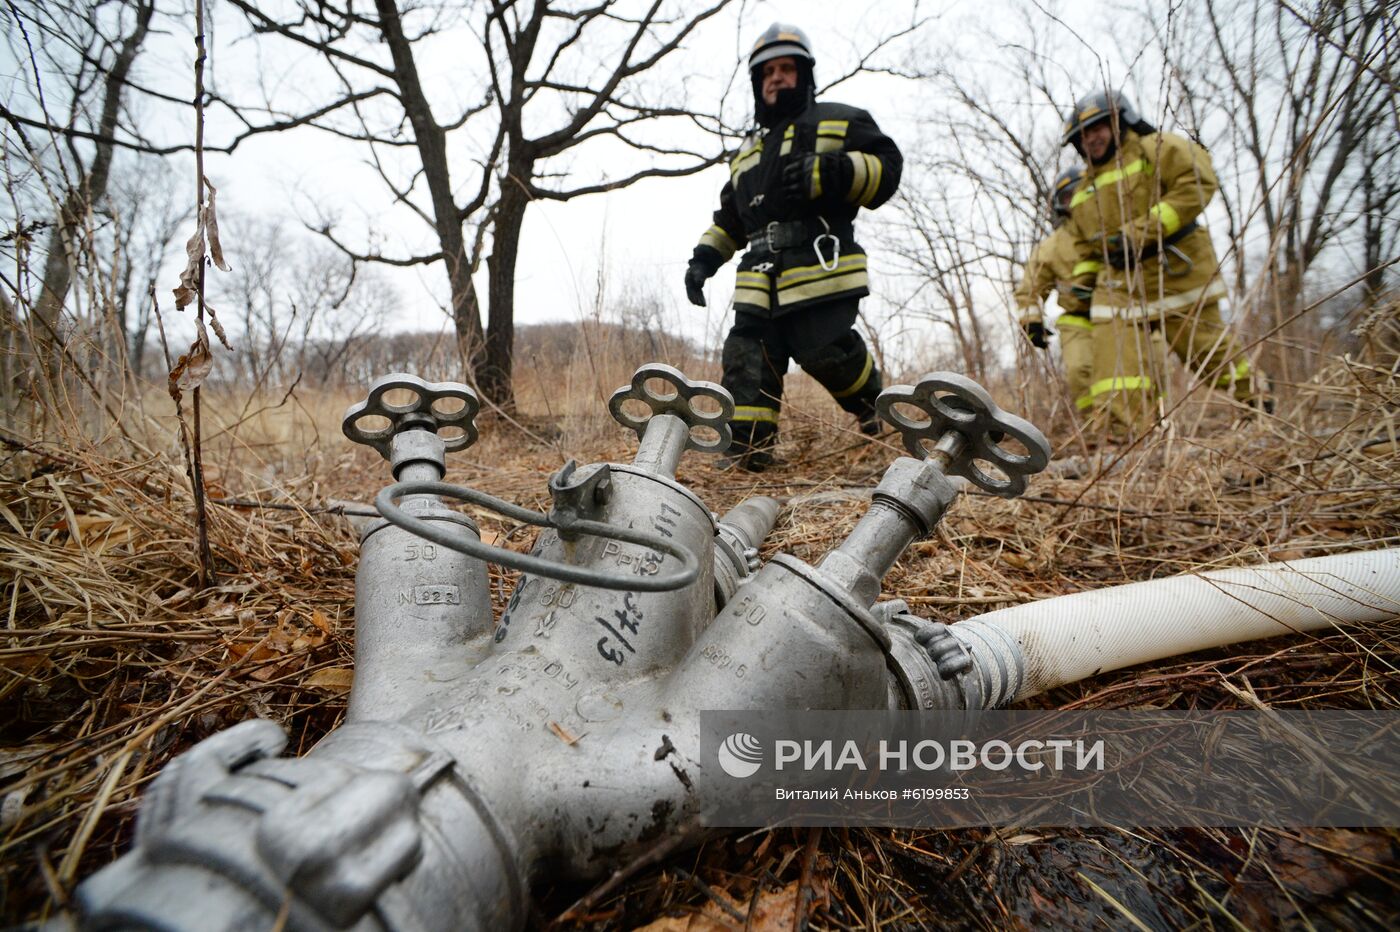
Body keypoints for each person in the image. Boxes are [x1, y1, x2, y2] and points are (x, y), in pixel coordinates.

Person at [684, 23, 902, 471]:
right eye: (766, 73)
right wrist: (704, 259)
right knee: (746, 360)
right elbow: (730, 218)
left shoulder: (840, 119)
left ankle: (875, 410)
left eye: (786, 69)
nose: (776, 78)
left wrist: (832, 172)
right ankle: (747, 454)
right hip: (757, 278)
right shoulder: (746, 153)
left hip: (818, 267)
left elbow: (888, 167)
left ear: (804, 76)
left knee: (825, 350)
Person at [1059, 90, 1269, 438]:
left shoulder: (1158, 147)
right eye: (1082, 135)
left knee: (1206, 352)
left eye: (1097, 127)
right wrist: (1080, 288)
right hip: (1121, 285)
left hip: (1176, 272)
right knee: (1115, 365)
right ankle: (1125, 437)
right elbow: (1084, 247)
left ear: (1120, 119)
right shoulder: (1084, 189)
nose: (1090, 138)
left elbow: (1198, 184)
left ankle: (1257, 402)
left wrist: (1140, 232)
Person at [1014, 166, 1097, 415]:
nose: (1077, 200)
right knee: (1079, 371)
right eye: (1068, 196)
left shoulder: (1121, 226)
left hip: (1125, 316)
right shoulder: (1051, 247)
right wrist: (1032, 322)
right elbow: (1030, 288)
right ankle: (1096, 430)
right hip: (1079, 318)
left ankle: (1151, 426)